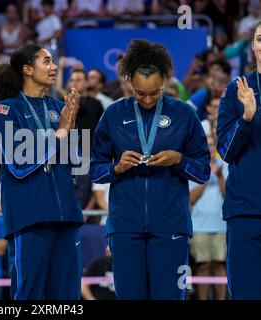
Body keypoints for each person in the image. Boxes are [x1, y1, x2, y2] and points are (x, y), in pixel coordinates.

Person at [90, 39, 211, 300]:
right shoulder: (113, 114)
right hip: (125, 226)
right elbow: (94, 170)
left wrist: (179, 160)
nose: (146, 99)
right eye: (140, 93)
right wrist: (117, 167)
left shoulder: (184, 115)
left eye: (154, 93)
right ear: (130, 84)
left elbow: (203, 171)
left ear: (165, 82)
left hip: (171, 225)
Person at [0, 44, 84, 300]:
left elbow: (75, 161)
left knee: (67, 299)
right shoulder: (6, 110)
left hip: (66, 216)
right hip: (29, 219)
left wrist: (72, 129)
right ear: (28, 69)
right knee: (29, 296)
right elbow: (18, 165)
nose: (54, 68)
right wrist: (61, 133)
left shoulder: (58, 107)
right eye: (47, 61)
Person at [217, 21, 261, 300]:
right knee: (246, 294)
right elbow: (226, 151)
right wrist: (246, 119)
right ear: (254, 46)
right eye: (260, 38)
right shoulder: (237, 89)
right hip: (246, 212)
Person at [189, 133, 227, 300]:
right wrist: (205, 178)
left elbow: (229, 195)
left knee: (220, 265)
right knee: (202, 266)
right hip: (199, 225)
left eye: (213, 146)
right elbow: (190, 199)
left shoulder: (225, 166)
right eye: (208, 146)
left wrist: (219, 176)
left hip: (221, 225)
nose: (210, 149)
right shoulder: (193, 167)